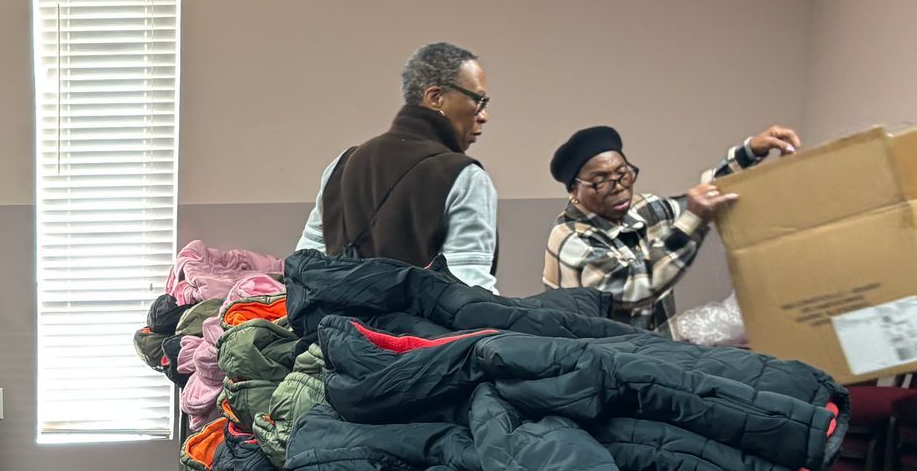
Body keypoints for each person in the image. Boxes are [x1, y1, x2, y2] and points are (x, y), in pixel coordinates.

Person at [542, 122, 802, 331]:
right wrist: (693, 221)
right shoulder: (570, 238)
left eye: (623, 174)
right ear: (574, 191)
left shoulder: (641, 209)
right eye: (600, 182)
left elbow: (701, 199)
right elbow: (634, 289)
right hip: (601, 367)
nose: (618, 187)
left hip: (653, 356)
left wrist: (749, 152)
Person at [296, 41, 498, 291]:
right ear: (436, 98)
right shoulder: (464, 177)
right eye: (479, 100)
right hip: (424, 319)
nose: (483, 115)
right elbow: (468, 290)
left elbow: (304, 266)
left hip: (332, 317)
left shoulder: (342, 164)